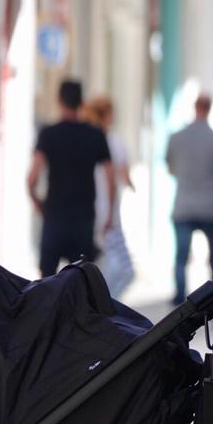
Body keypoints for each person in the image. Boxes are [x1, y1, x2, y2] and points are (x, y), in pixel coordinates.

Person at [26, 79, 115, 277]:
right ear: (81, 102)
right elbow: (110, 177)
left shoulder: (48, 134)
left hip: (55, 218)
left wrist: (38, 204)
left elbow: (32, 178)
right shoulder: (95, 134)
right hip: (83, 220)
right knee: (81, 283)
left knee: (45, 284)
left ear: (59, 101)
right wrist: (109, 215)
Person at [166, 93, 213, 305]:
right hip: (211, 206)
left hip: (183, 204)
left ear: (194, 107)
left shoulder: (176, 138)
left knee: (181, 256)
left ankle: (179, 298)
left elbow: (171, 169)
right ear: (209, 109)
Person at [83, 96, 136, 298]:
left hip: (90, 211)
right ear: (107, 115)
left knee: (99, 266)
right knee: (125, 269)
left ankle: (101, 305)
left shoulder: (86, 139)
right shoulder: (113, 141)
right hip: (109, 214)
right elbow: (119, 177)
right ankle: (105, 306)